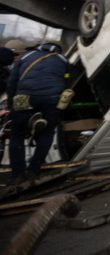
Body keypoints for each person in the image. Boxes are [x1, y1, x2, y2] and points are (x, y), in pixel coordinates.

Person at [7, 40, 68, 184]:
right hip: (51, 99)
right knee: (47, 132)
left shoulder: (26, 56)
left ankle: (17, 175)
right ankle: (34, 170)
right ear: (58, 49)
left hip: (24, 97)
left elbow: (12, 82)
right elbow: (67, 82)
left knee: (17, 134)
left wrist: (11, 106)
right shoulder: (63, 60)